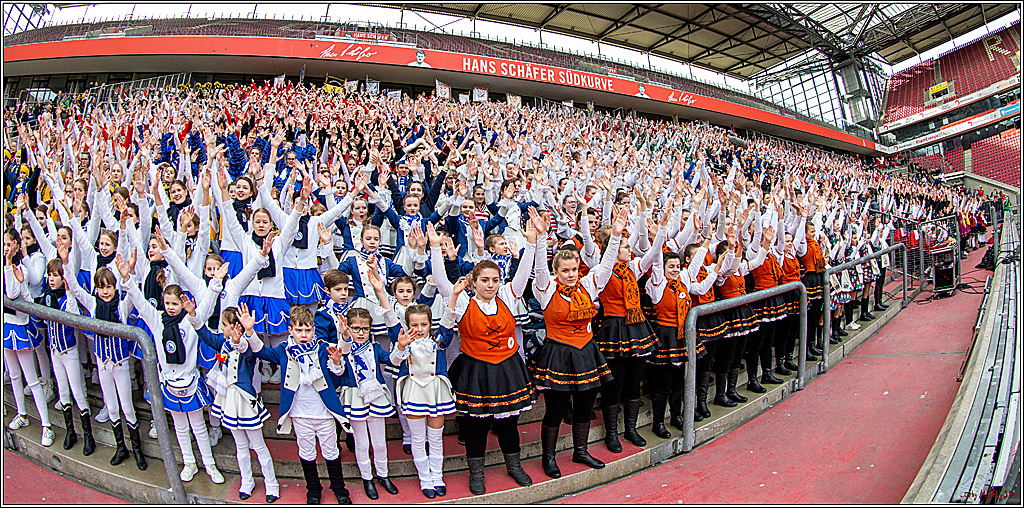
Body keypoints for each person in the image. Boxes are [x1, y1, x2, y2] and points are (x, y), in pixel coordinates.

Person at [427, 212, 538, 496]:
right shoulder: (463, 301)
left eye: (495, 280)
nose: (490, 284)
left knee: (509, 422)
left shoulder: (510, 297)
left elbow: (525, 271)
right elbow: (440, 280)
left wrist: (534, 241)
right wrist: (434, 247)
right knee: (476, 425)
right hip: (476, 367)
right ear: (473, 281)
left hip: (507, 366)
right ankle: (476, 473)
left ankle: (514, 466)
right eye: (485, 280)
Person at [529, 206, 619, 478]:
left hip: (586, 351)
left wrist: (614, 236)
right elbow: (539, 269)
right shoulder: (545, 289)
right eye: (565, 270)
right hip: (558, 353)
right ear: (556, 271)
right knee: (555, 410)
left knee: (585, 405)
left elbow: (605, 266)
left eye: (573, 269)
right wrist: (541, 238)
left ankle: (581, 450)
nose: (570, 274)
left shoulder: (588, 285)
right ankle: (549, 457)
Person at [252, 306, 352, 505]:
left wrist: (344, 338)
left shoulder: (322, 348)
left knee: (331, 451)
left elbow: (341, 359)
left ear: (314, 330)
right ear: (291, 330)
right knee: (306, 453)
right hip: (299, 413)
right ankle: (313, 489)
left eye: (307, 330)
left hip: (324, 412)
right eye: (299, 330)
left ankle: (339, 488)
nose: (303, 335)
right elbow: (261, 351)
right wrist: (249, 332)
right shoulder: (284, 350)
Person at [390, 303, 457, 498]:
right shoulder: (403, 343)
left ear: (430, 324)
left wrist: (453, 296)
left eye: (424, 324)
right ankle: (424, 479)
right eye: (414, 325)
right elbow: (394, 359)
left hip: (435, 392)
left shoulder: (438, 342)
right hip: (414, 392)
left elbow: (448, 320)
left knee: (435, 439)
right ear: (407, 324)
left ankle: (437, 476)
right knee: (418, 440)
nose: (419, 330)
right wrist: (401, 346)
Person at [4, 229, 54, 447]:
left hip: (20, 326)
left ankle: (47, 426)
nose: (5, 248)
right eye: (3, 244)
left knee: (31, 378)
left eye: (8, 244)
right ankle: (22, 414)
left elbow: (13, 294)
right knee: (14, 376)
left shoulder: (19, 267)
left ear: (16, 245)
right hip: (6, 325)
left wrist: (8, 265)